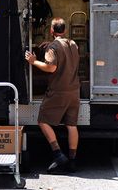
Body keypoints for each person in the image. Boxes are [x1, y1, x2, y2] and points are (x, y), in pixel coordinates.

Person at [25, 17, 80, 174]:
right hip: (74, 91)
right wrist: (51, 46)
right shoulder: (73, 44)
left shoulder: (54, 47)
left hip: (59, 91)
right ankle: (72, 161)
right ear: (65, 30)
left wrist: (33, 61)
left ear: (51, 30)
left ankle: (58, 154)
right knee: (72, 126)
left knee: (42, 120)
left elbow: (51, 67)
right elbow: (64, 54)